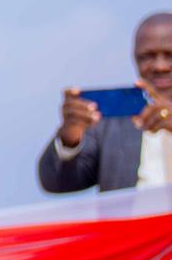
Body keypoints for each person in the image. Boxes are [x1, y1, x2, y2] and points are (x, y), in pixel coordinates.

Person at [40, 11, 172, 193]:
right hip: (131, 220)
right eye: (147, 56)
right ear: (135, 58)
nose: (160, 66)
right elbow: (57, 182)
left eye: (169, 55)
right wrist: (70, 137)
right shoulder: (114, 122)